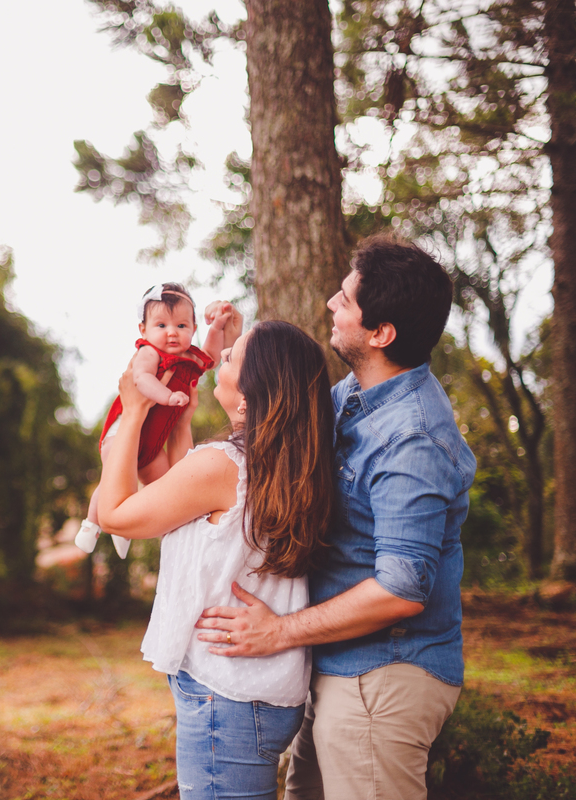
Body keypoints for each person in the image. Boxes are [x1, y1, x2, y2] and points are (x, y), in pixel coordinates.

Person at [195, 235, 476, 800]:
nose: (330, 302)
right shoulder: (356, 396)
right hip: (340, 665)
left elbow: (403, 588)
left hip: (383, 677)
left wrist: (278, 632)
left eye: (345, 300)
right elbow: (278, 421)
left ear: (380, 334)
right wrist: (234, 354)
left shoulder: (412, 439)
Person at [96, 320, 335, 800]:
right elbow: (188, 499)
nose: (219, 360)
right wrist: (181, 421)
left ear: (249, 394)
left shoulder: (224, 465)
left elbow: (114, 514)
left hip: (223, 697)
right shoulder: (286, 464)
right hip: (257, 691)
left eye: (230, 358)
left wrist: (133, 410)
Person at [76, 283, 240, 558]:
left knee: (168, 483)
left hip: (153, 443)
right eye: (161, 325)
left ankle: (129, 523)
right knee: (113, 478)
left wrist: (217, 329)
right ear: (143, 330)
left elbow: (210, 358)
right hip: (123, 431)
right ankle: (92, 525)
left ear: (193, 329)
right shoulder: (149, 353)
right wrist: (166, 396)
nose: (172, 332)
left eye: (182, 326)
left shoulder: (188, 358)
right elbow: (141, 380)